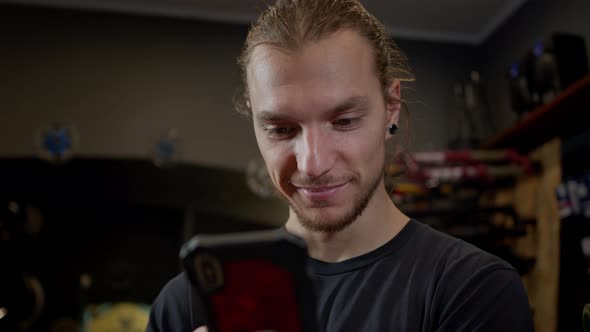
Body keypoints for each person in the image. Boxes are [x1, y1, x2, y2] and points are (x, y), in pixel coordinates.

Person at [146, 0, 535, 331]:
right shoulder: (184, 307)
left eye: (344, 121)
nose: (313, 163)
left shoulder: (471, 290)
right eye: (282, 129)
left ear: (391, 108)